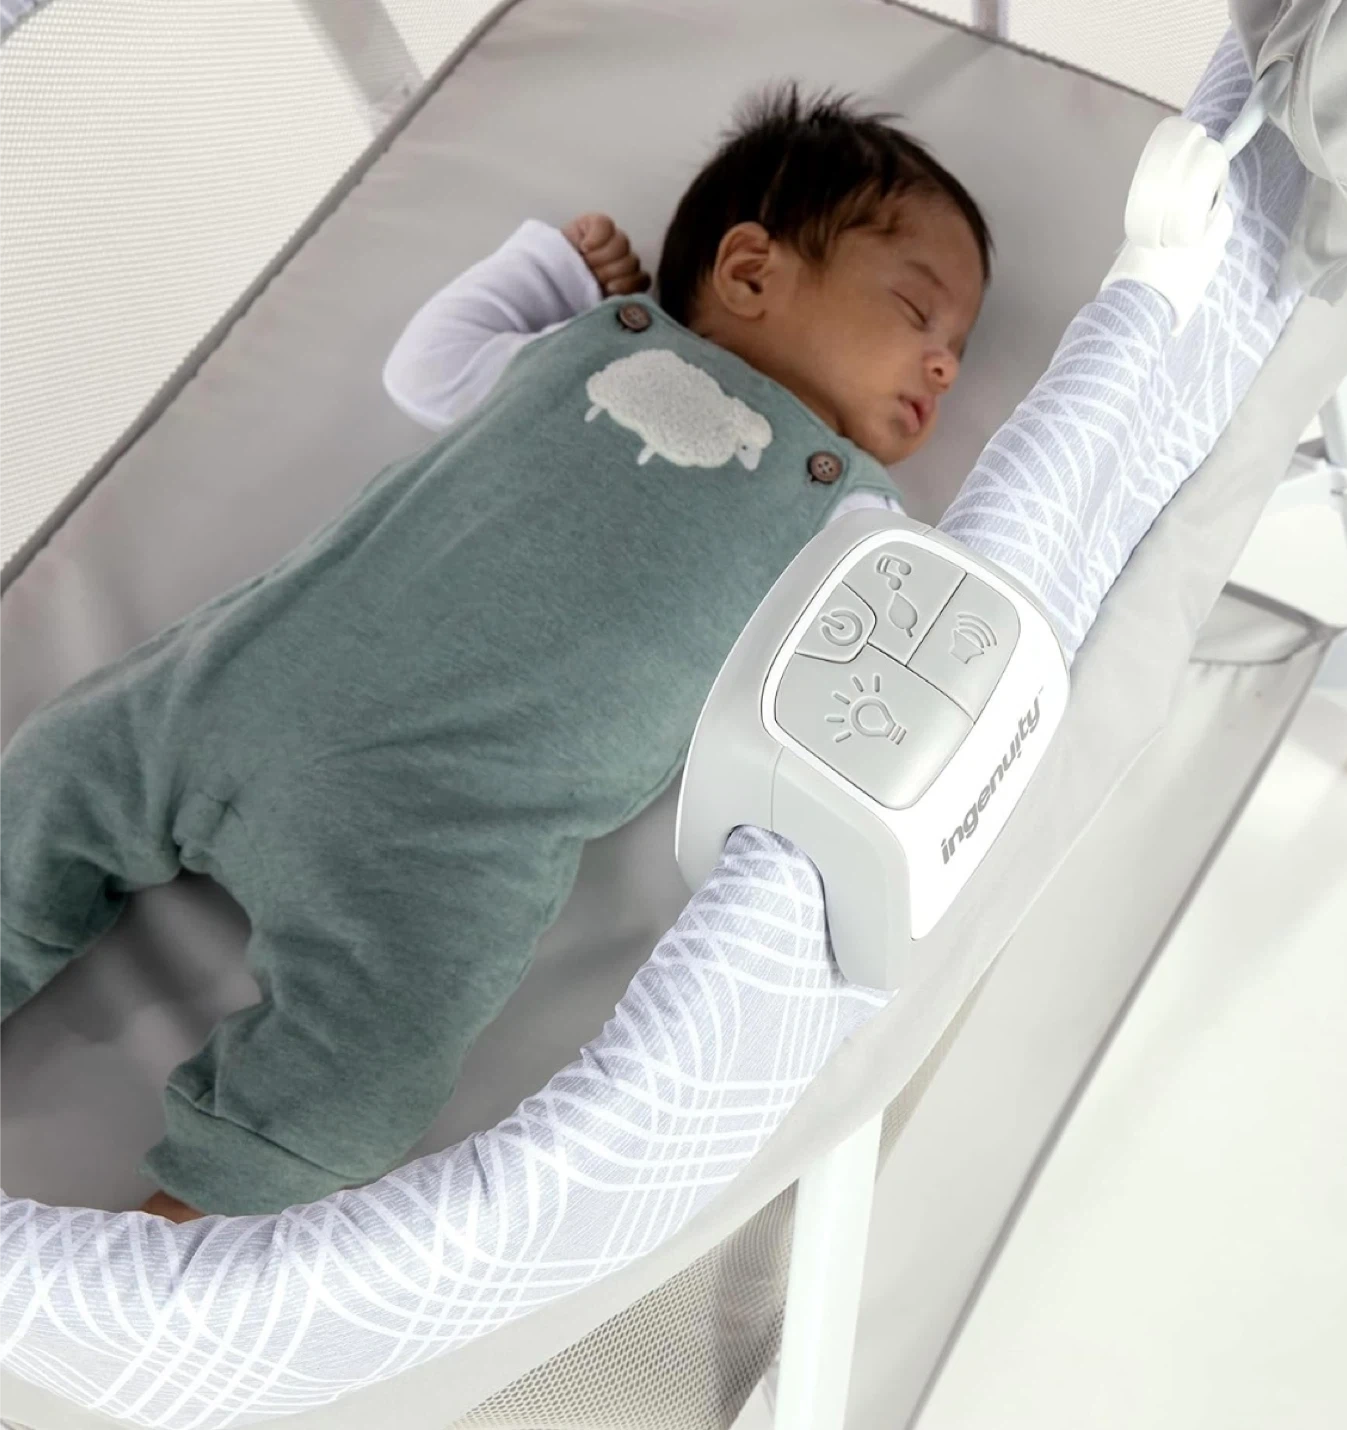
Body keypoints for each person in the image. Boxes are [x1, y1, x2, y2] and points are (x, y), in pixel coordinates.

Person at [0, 85, 990, 1222]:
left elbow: (866, 662)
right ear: (750, 270)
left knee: (371, 1052)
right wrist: (554, 273)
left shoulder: (846, 513)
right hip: (239, 679)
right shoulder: (587, 344)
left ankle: (177, 1237)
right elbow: (427, 369)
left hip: (441, 823)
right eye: (918, 311)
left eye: (959, 351)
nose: (946, 366)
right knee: (56, 771)